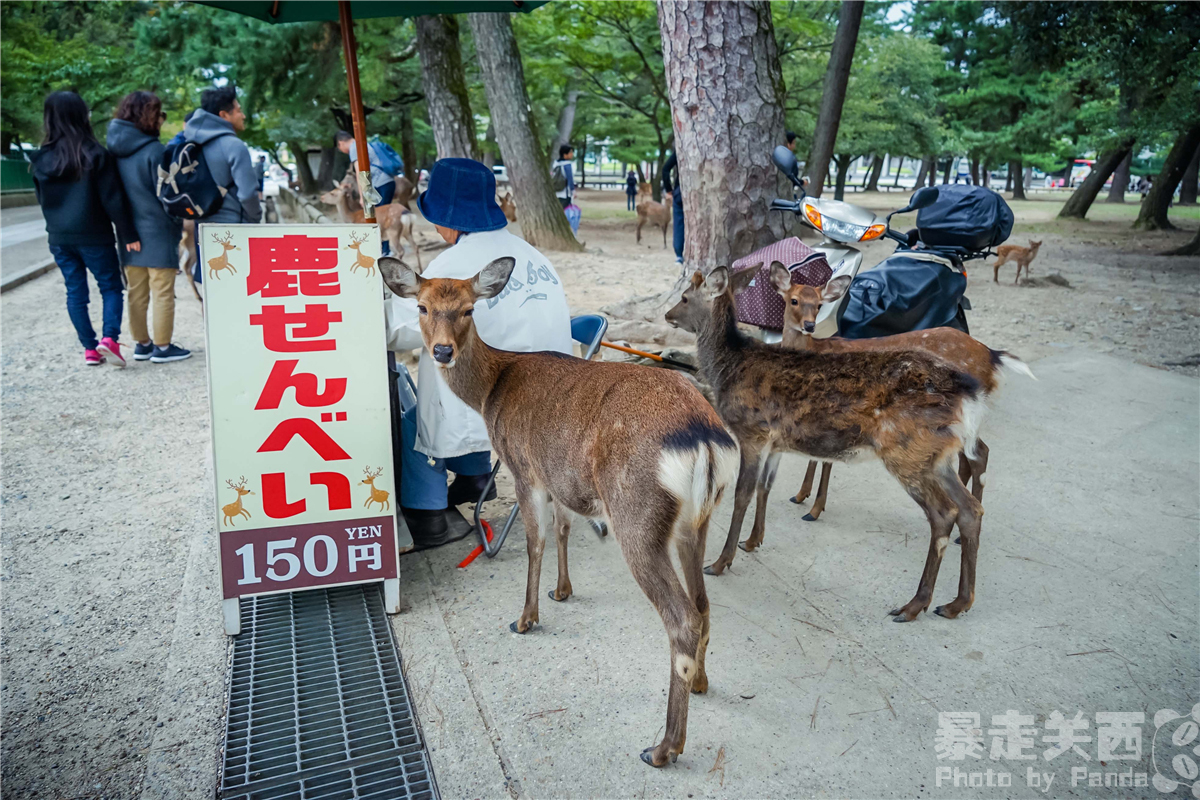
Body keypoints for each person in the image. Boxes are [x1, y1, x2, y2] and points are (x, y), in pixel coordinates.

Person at [384, 158, 573, 546]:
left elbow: (402, 331)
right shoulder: (532, 255)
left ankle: (429, 515)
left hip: (505, 405)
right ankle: (475, 475)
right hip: (555, 397)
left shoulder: (450, 268)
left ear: (448, 221)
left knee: (415, 418)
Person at [31, 91, 140, 367]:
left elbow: (42, 200)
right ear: (82, 116)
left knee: (75, 291)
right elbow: (112, 200)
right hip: (95, 236)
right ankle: (109, 339)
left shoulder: (39, 160)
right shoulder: (96, 155)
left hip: (58, 238)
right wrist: (128, 233)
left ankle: (90, 349)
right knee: (110, 287)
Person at [107, 91, 191, 364]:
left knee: (136, 290)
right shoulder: (155, 151)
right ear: (147, 115)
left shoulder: (113, 150)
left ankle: (142, 344)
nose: (161, 119)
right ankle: (164, 348)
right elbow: (168, 194)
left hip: (128, 231)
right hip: (157, 228)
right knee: (162, 291)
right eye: (158, 113)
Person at [183, 86, 262, 280]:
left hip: (203, 228)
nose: (243, 115)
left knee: (212, 298)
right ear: (224, 115)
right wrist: (255, 219)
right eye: (239, 110)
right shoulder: (234, 145)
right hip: (233, 228)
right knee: (237, 292)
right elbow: (248, 193)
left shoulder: (190, 144)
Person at [661, 151, 683, 263]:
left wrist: (669, 190)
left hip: (681, 189)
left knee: (679, 222)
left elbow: (665, 169)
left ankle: (679, 254)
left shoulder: (681, 149)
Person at [551, 144, 575, 209]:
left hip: (556, 192)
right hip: (565, 193)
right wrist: (573, 192)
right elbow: (570, 179)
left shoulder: (555, 164)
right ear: (565, 154)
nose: (572, 154)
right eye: (570, 152)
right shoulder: (567, 165)